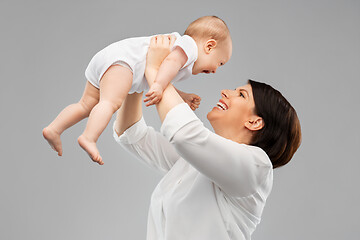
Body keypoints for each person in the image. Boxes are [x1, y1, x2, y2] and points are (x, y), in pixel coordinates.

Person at [113, 35, 301, 239]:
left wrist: (155, 70)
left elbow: (185, 134)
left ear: (254, 122)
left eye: (241, 95)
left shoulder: (256, 167)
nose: (226, 92)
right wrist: (138, 72)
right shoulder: (196, 162)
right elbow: (132, 135)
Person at [42, 16, 232, 165]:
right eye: (220, 62)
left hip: (109, 58)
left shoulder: (182, 54)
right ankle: (89, 137)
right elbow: (166, 67)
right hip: (124, 63)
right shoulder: (189, 46)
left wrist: (182, 96)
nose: (215, 70)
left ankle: (54, 129)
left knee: (85, 105)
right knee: (109, 103)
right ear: (209, 46)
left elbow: (160, 75)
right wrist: (157, 86)